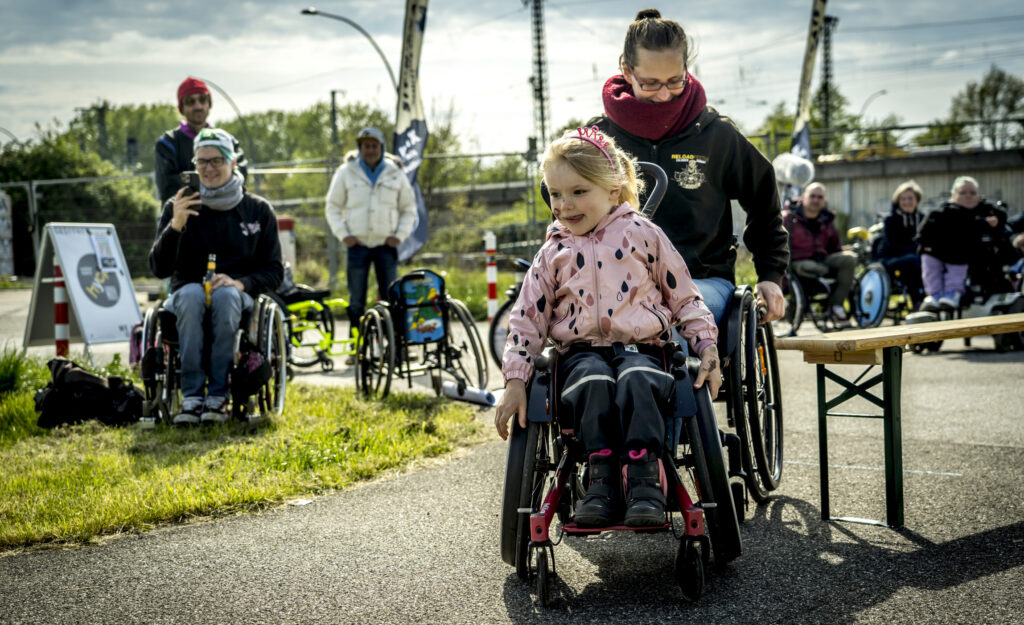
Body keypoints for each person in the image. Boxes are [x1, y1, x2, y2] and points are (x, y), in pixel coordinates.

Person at [493, 127, 721, 529]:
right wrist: (515, 380)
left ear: (614, 190)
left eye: (579, 192)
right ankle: (600, 479)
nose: (564, 205)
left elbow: (685, 297)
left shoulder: (644, 235)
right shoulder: (553, 252)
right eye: (556, 194)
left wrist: (707, 349)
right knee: (591, 382)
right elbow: (526, 319)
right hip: (580, 354)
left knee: (636, 377)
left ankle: (644, 478)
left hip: (644, 349)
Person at [588, 8, 789, 326]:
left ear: (687, 68)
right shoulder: (600, 138)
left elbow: (763, 199)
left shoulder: (716, 135)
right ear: (627, 71)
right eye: (651, 83)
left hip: (703, 281)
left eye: (675, 81)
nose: (665, 93)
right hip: (615, 283)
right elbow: (561, 196)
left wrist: (771, 274)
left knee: (665, 321)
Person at [149, 128, 282, 424]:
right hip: (187, 292)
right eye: (201, 162)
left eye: (216, 161)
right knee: (194, 295)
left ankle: (219, 395)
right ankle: (193, 396)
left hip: (235, 295)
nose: (208, 169)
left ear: (232, 163)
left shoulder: (257, 210)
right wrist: (176, 225)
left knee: (224, 295)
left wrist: (241, 283)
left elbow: (274, 270)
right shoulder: (178, 205)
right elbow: (159, 268)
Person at [325, 127, 417, 355]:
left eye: (374, 145)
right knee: (356, 300)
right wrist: (343, 234)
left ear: (381, 147)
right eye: (366, 145)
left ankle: (396, 348)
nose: (370, 150)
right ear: (360, 148)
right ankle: (357, 348)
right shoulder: (346, 172)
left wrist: (400, 235)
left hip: (387, 246)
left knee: (392, 298)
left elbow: (408, 208)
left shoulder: (395, 172)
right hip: (357, 246)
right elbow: (332, 207)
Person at [917, 176, 1009, 310]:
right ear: (954, 195)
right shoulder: (943, 212)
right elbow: (923, 235)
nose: (968, 196)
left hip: (971, 257)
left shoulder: (987, 210)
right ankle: (934, 295)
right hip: (941, 254)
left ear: (979, 195)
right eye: (963, 193)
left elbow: (1001, 218)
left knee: (960, 256)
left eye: (972, 193)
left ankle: (953, 293)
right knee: (928, 257)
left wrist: (994, 221)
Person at [154, 77, 247, 204]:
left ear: (209, 103)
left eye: (203, 99)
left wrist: (192, 181)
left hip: (225, 213)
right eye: (190, 101)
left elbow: (241, 177)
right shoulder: (167, 144)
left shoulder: (229, 141)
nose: (198, 106)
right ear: (181, 107)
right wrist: (217, 181)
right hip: (184, 216)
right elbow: (168, 187)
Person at [782, 183, 858, 328]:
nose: (816, 200)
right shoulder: (788, 219)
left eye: (820, 197)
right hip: (798, 262)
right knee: (812, 268)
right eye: (812, 196)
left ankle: (836, 306)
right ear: (804, 197)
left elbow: (835, 247)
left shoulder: (827, 219)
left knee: (849, 259)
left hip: (822, 259)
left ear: (824, 201)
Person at [876, 180, 925, 309]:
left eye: (910, 198)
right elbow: (891, 245)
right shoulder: (890, 220)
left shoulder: (923, 218)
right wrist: (916, 249)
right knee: (912, 261)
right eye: (903, 199)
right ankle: (918, 301)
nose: (907, 202)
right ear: (898, 201)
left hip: (916, 257)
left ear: (917, 200)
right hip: (891, 258)